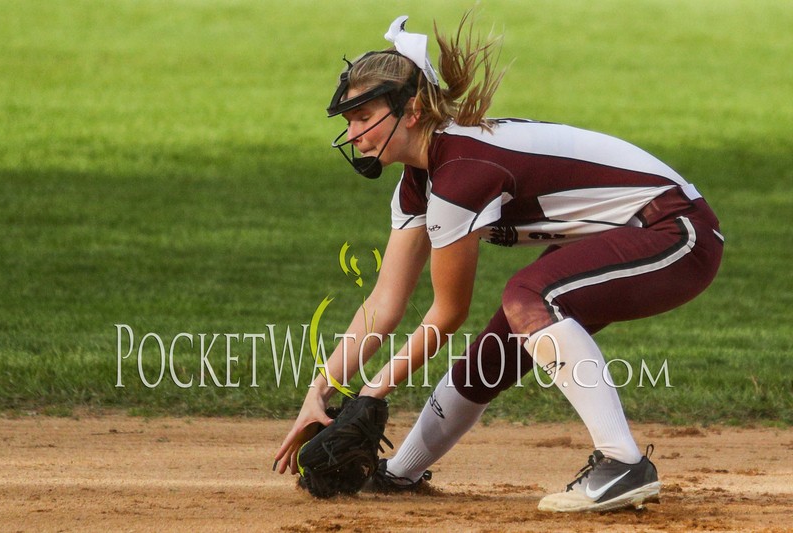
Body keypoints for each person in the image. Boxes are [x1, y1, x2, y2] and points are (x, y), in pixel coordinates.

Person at [274, 13, 723, 513]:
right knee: (495, 350)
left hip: (677, 233)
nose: (354, 133)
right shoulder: (420, 183)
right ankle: (399, 473)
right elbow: (384, 303)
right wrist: (321, 390)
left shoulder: (461, 170)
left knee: (529, 297)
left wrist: (373, 394)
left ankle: (623, 464)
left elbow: (447, 313)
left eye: (364, 116)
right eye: (348, 120)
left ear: (413, 110)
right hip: (629, 233)